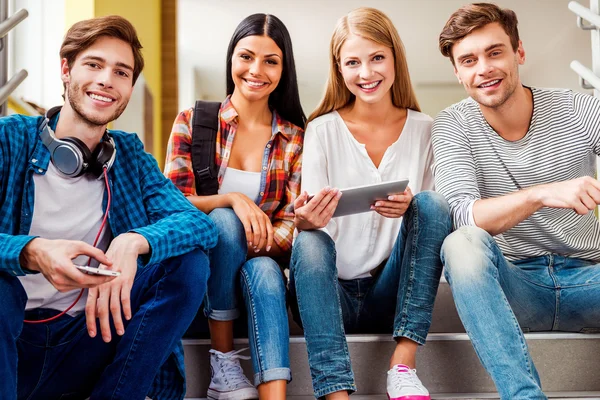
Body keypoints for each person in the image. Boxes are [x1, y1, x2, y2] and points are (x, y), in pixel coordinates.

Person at [0, 15, 216, 400]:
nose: (106, 80)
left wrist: (134, 241)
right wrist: (32, 251)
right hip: (10, 345)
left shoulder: (128, 155)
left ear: (130, 87)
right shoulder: (9, 139)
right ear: (66, 70)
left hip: (85, 339)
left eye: (121, 72)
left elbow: (199, 224)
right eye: (94, 65)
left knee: (188, 263)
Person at [431, 3, 600, 399]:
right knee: (461, 243)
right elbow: (461, 214)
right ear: (458, 73)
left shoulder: (580, 108)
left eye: (494, 52)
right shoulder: (452, 124)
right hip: (514, 286)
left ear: (518, 52)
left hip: (591, 277)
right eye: (468, 60)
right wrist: (542, 193)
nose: (483, 69)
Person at [289, 7, 451, 400]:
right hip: (330, 294)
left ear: (395, 57)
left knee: (431, 205)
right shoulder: (322, 129)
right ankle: (334, 392)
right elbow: (314, 228)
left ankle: (403, 364)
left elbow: (439, 221)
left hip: (390, 291)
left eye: (377, 57)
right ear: (339, 69)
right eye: (353, 62)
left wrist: (412, 207)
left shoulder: (426, 128)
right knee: (309, 242)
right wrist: (307, 222)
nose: (366, 73)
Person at [164, 13, 304, 400]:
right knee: (225, 219)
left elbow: (291, 220)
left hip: (258, 272)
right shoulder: (195, 121)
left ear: (283, 69)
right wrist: (232, 198)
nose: (256, 70)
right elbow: (172, 205)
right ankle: (222, 358)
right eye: (246, 56)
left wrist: (254, 245)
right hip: (201, 279)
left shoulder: (294, 138)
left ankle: (272, 394)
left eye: (270, 61)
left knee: (264, 269)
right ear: (231, 60)